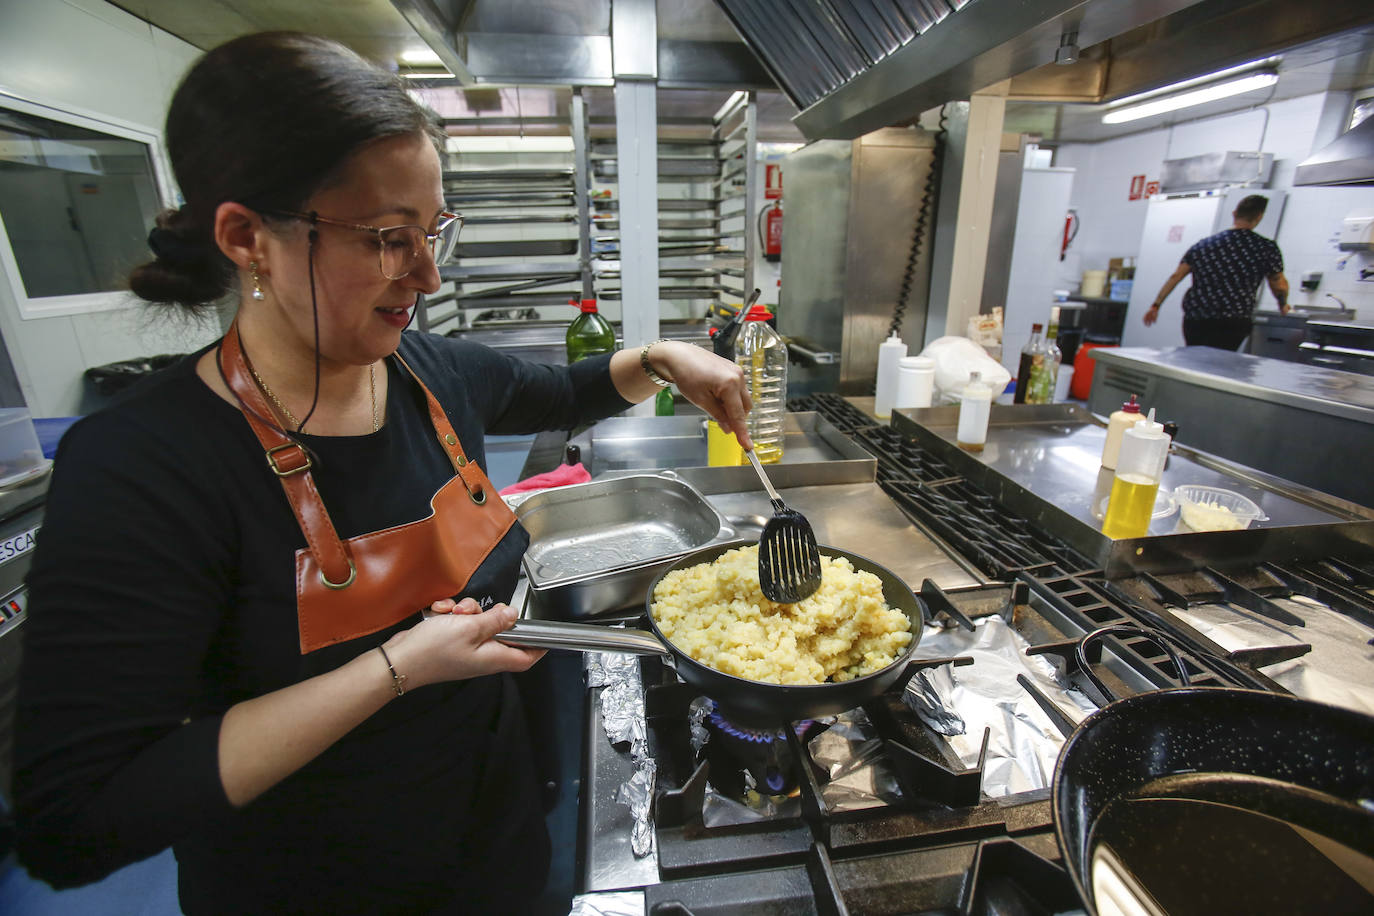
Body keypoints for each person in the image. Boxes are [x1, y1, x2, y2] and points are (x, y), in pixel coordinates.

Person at [12, 32, 751, 915]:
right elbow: (79, 817)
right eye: (388, 239)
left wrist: (669, 357)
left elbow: (567, 390)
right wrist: (399, 666)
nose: (428, 274)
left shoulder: (427, 377)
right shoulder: (145, 468)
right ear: (249, 238)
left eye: (432, 229)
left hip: (496, 851)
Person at [1142, 194, 1289, 350]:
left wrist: (1156, 305)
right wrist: (1283, 304)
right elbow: (1277, 283)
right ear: (1259, 217)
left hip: (1198, 318)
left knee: (1193, 359)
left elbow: (1176, 276)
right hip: (1234, 320)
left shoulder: (1204, 245)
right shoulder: (1266, 248)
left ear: (1234, 214)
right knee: (1221, 363)